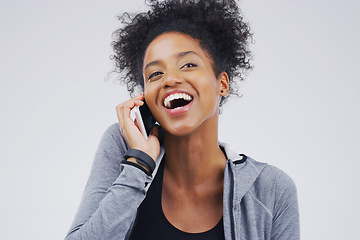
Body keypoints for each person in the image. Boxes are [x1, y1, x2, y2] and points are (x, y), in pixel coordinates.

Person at [65, 0, 300, 239]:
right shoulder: (124, 147)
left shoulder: (272, 190)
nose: (170, 79)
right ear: (144, 96)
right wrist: (138, 165)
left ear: (222, 84)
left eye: (188, 64)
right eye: (155, 73)